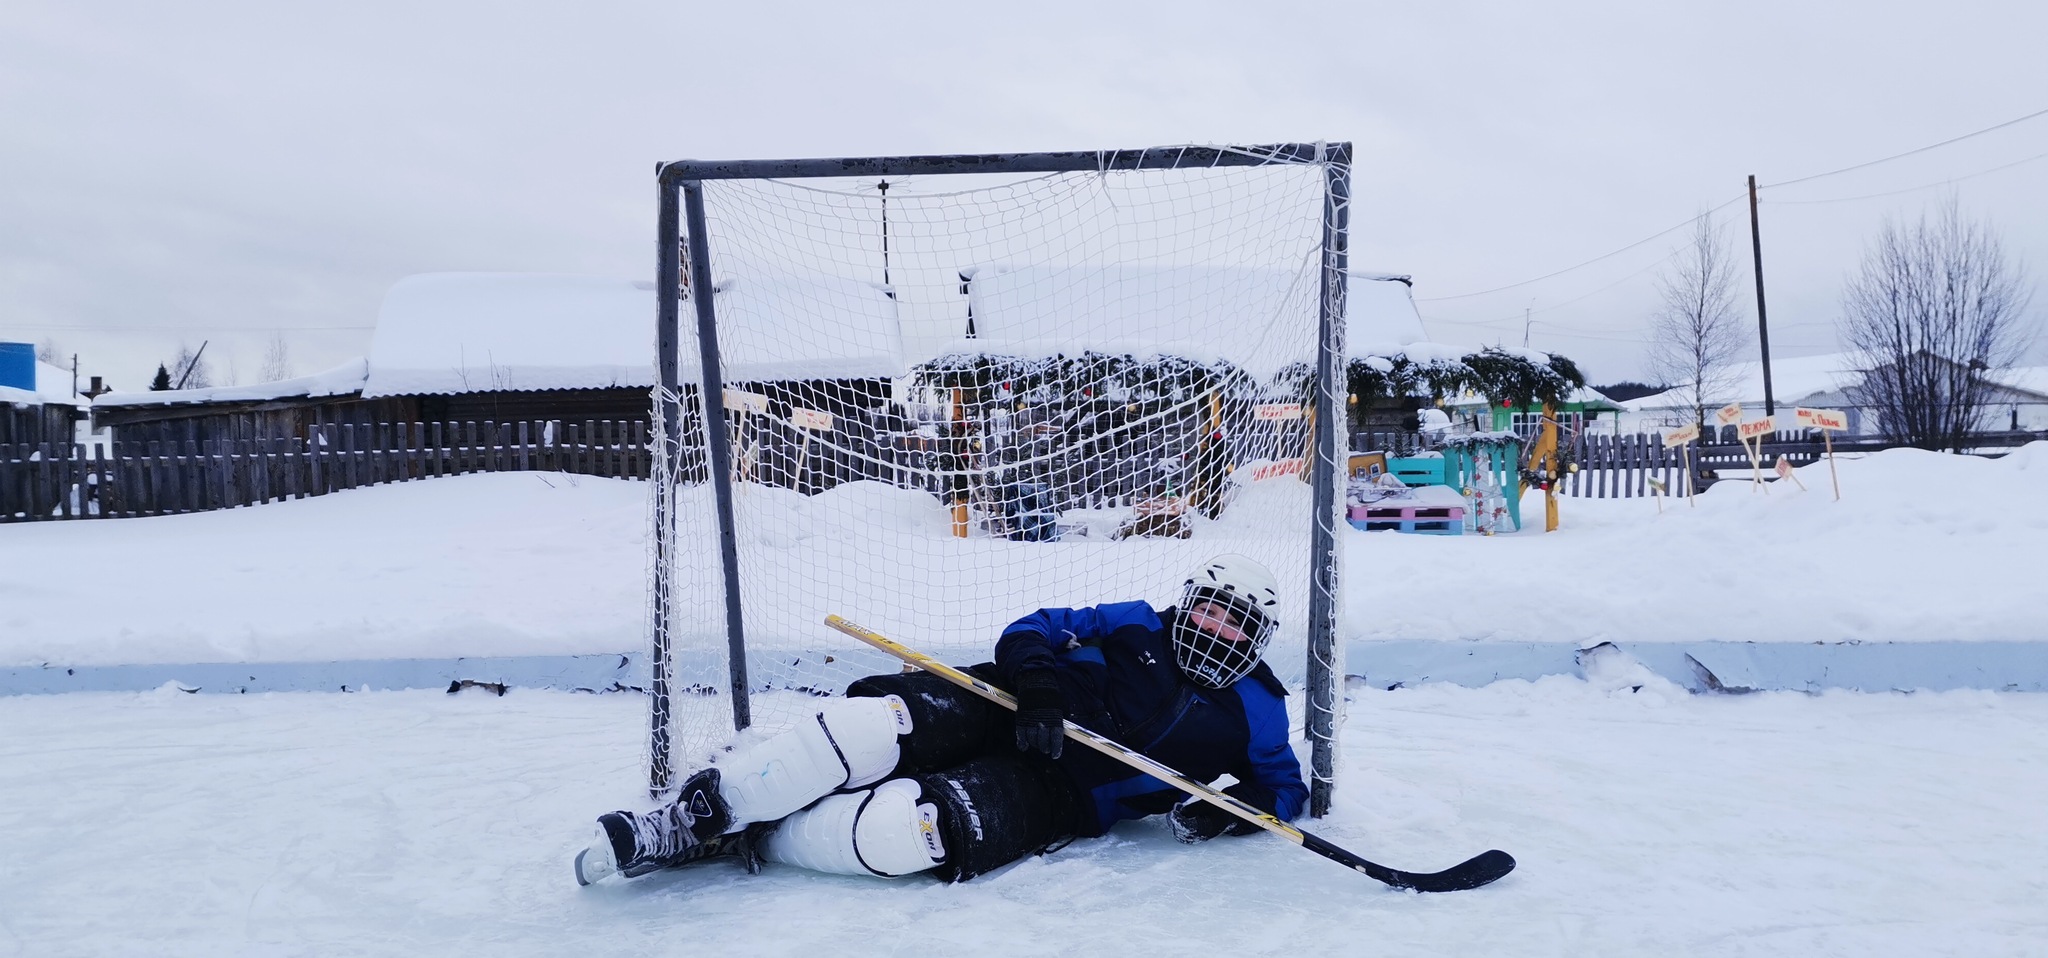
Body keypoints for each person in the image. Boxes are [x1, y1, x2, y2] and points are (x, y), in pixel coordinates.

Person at [574, 554, 1306, 886]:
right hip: (1004, 705)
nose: (1213, 627)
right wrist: (1042, 695)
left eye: (1234, 622)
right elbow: (1032, 629)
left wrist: (1227, 814)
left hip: (1067, 795)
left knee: (905, 834)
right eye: (1208, 608)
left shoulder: (1259, 711)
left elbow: (1283, 792)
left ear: (1257, 636)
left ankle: (754, 832)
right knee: (868, 729)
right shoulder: (1139, 623)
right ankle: (688, 819)